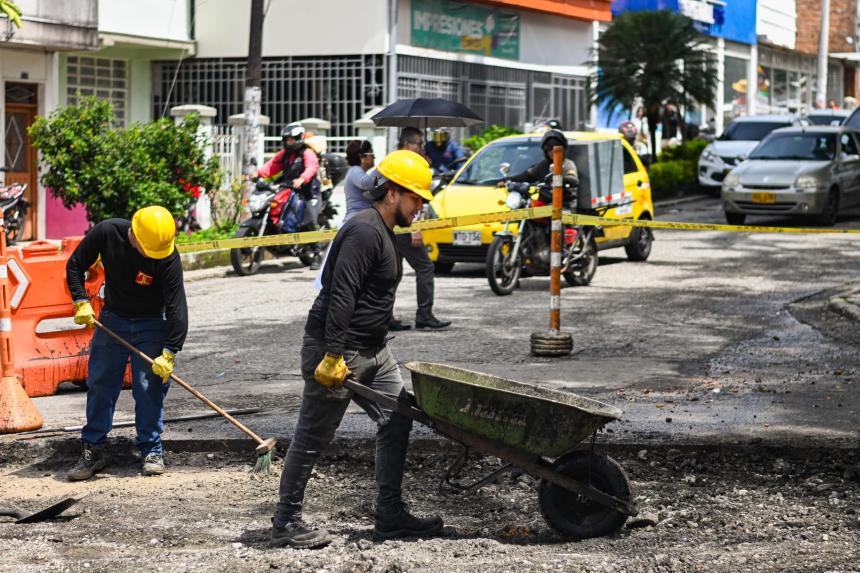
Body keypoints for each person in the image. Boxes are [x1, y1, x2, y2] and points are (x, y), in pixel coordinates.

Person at [270, 150, 444, 548]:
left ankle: (390, 514)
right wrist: (332, 355)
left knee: (398, 417)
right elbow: (340, 295)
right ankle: (286, 521)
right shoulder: (364, 230)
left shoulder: (385, 231)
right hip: (339, 350)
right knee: (313, 435)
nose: (420, 207)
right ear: (393, 193)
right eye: (416, 198)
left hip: (375, 350)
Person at [65, 206, 188, 481]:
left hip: (152, 322)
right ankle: (94, 449)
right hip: (113, 318)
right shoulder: (108, 233)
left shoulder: (166, 255)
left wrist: (169, 352)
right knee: (101, 383)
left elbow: (177, 307)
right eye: (146, 250)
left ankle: (151, 449)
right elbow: (75, 265)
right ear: (132, 234)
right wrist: (80, 299)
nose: (149, 257)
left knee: (149, 387)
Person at [390, 127, 451, 331]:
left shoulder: (395, 160)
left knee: (393, 272)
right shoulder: (405, 164)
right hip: (404, 225)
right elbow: (409, 198)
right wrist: (415, 227)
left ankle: (384, 316)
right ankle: (424, 314)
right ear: (408, 144)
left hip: (393, 225)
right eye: (419, 143)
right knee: (425, 267)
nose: (422, 147)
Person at [256, 122, 323, 269]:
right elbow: (272, 166)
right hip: (290, 189)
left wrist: (302, 179)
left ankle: (318, 254)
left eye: (291, 139)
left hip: (309, 192)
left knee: (309, 219)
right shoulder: (285, 154)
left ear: (299, 138)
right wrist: (257, 173)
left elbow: (312, 167)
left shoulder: (306, 152)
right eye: (286, 140)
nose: (288, 142)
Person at [507, 129, 579, 195]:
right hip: (545, 201)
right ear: (545, 150)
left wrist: (560, 178)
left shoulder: (567, 164)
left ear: (563, 149)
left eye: (557, 147)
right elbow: (528, 175)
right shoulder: (543, 164)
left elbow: (573, 180)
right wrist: (508, 180)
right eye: (549, 148)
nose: (552, 151)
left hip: (564, 203)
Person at [343, 139, 378, 221]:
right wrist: (381, 170)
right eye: (372, 154)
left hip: (361, 219)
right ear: (361, 157)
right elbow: (366, 183)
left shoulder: (358, 172)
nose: (374, 157)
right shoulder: (355, 171)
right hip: (356, 220)